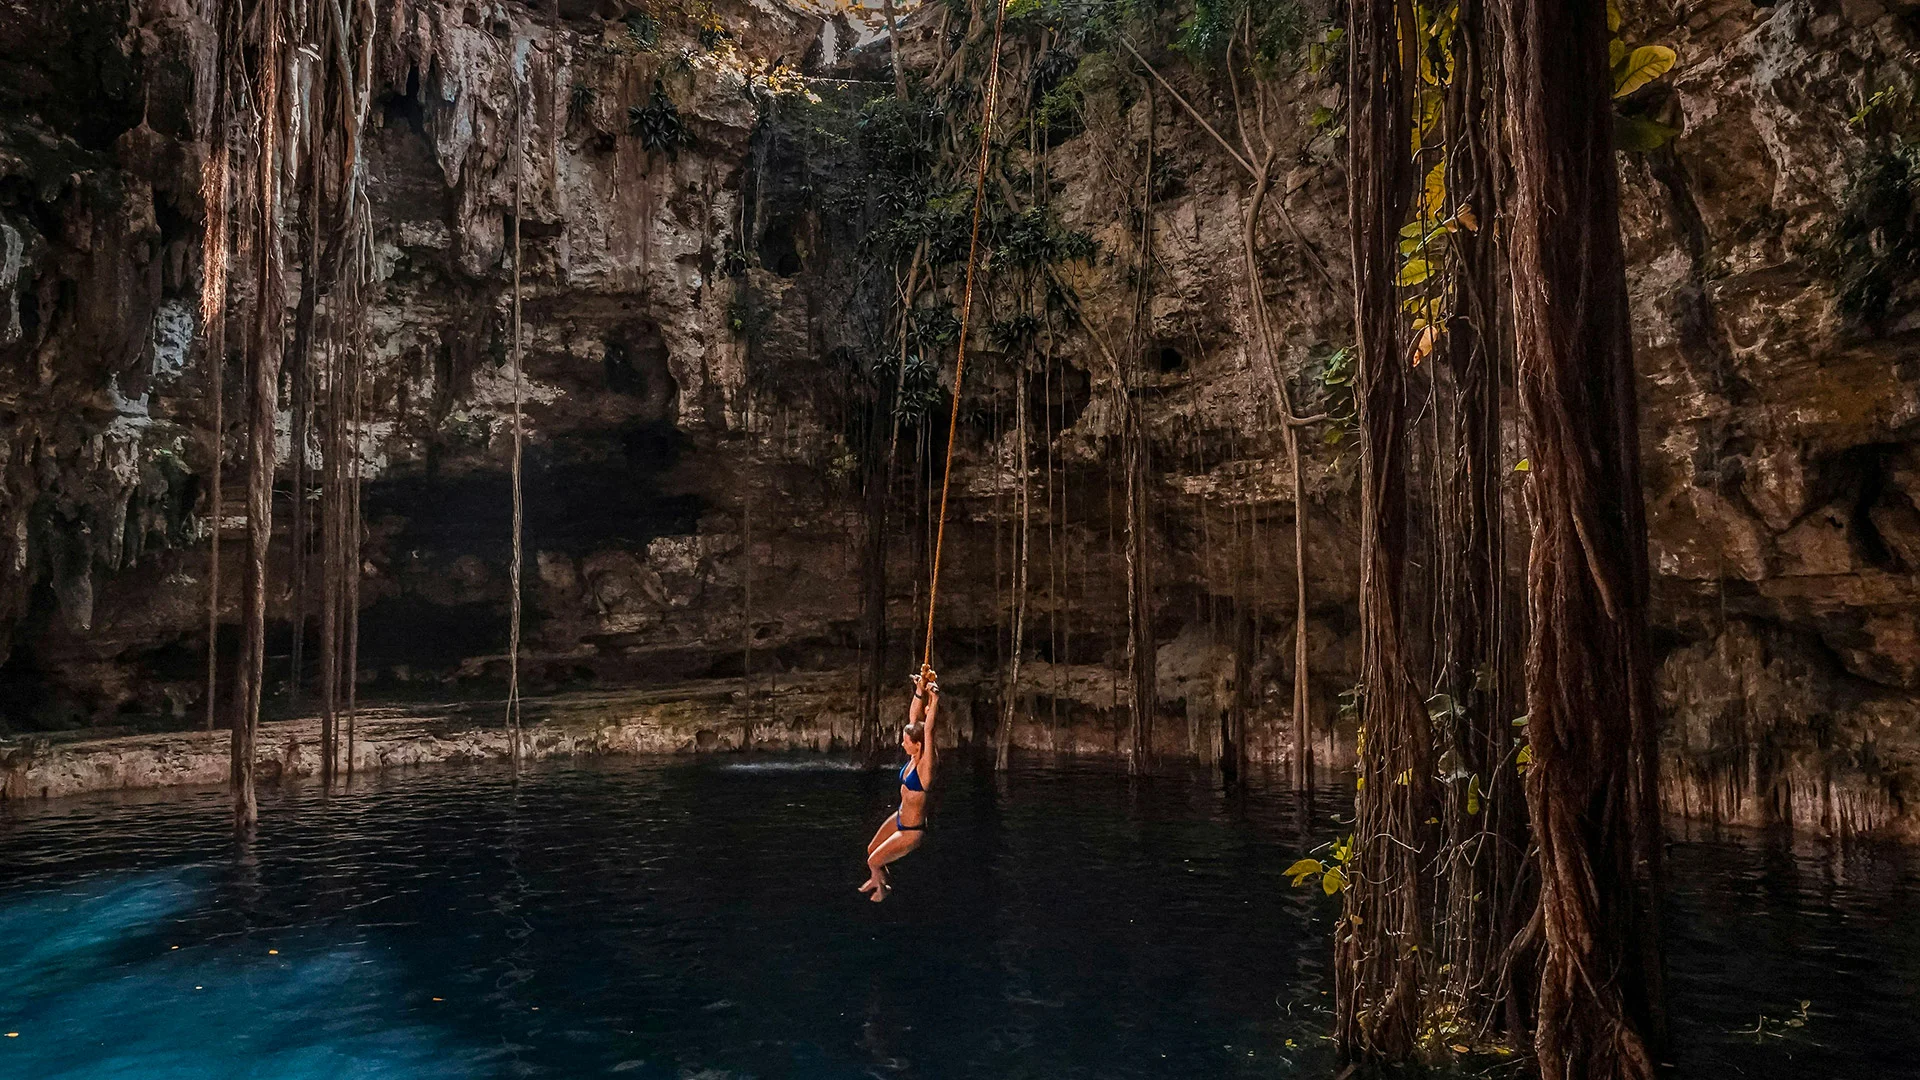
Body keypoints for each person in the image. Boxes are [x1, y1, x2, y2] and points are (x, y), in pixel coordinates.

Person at [858, 668, 939, 902]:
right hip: (899, 818)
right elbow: (914, 720)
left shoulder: (925, 767)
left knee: (873, 861)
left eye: (906, 742)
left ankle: (882, 889)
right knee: (870, 851)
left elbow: (929, 730)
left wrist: (934, 699)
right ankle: (878, 879)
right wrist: (919, 690)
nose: (902, 745)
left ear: (917, 745)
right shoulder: (914, 757)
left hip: (911, 831)